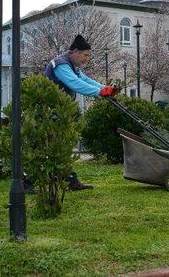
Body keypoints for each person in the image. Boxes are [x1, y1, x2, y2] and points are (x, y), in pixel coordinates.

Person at [32, 34, 119, 192]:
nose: (87, 59)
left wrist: (106, 89)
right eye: (85, 55)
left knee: (59, 146)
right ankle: (27, 183)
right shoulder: (61, 65)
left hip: (59, 112)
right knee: (47, 147)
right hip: (49, 113)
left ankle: (70, 181)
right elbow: (76, 84)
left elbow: (87, 81)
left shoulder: (72, 66)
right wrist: (100, 92)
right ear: (76, 52)